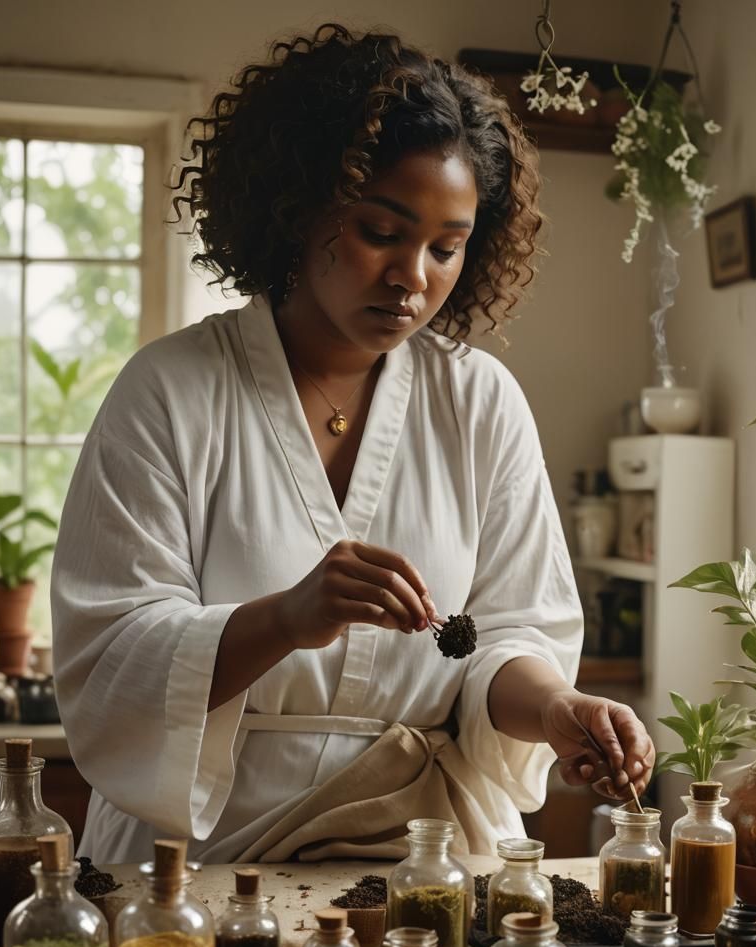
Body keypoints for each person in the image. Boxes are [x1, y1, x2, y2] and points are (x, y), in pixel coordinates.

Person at [51, 24, 655, 864]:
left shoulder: (480, 402)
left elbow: (507, 639)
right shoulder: (170, 391)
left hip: (431, 854)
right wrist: (288, 617)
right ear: (300, 208)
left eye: (447, 248)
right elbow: (111, 660)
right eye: (381, 232)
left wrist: (556, 707)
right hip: (209, 853)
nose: (414, 277)